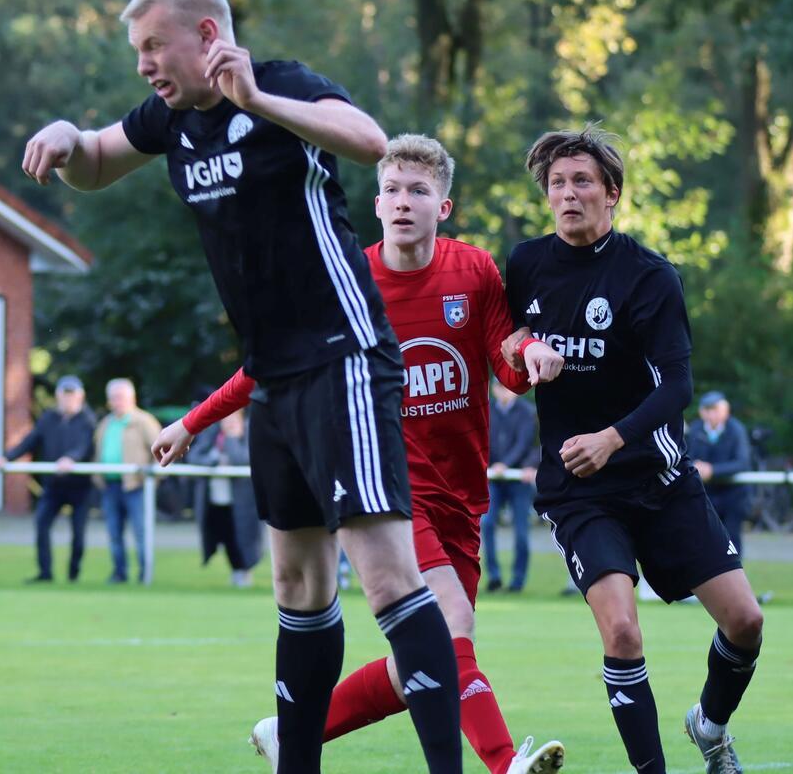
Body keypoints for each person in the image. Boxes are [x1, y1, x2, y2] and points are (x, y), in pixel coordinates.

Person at [28, 0, 471, 774]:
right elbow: (95, 162)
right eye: (138, 51)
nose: (144, 66)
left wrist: (259, 101)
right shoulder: (169, 119)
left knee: (387, 578)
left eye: (154, 46)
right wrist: (67, 137)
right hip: (272, 380)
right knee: (298, 588)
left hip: (342, 360)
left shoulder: (283, 86)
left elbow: (370, 140)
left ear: (206, 37)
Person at [157, 132, 564, 774]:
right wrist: (193, 422)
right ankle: (505, 762)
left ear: (444, 207)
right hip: (383, 480)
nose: (403, 202)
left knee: (423, 662)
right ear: (375, 205)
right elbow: (270, 365)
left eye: (419, 191)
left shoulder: (475, 271)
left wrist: (529, 350)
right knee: (450, 621)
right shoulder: (350, 278)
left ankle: (294, 735)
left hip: (461, 489)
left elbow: (506, 365)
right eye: (393, 191)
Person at [500, 124, 763, 774]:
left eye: (582, 181)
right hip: (579, 491)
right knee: (621, 629)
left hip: (657, 478)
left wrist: (613, 439)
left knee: (746, 622)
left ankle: (709, 724)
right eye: (557, 183)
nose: (568, 194)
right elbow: (504, 339)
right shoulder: (526, 263)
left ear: (612, 193)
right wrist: (520, 345)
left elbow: (678, 387)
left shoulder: (649, 277)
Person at [0, 375, 96, 582]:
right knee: (41, 524)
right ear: (58, 396)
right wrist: (6, 457)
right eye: (64, 395)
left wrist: (71, 458)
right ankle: (45, 573)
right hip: (54, 486)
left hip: (80, 487)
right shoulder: (48, 418)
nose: (68, 399)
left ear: (80, 396)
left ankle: (73, 575)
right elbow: (30, 442)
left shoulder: (87, 420)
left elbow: (84, 446)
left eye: (72, 395)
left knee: (78, 533)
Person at [96, 378, 161, 584]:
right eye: (113, 398)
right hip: (111, 486)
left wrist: (152, 478)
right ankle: (119, 573)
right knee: (114, 533)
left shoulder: (144, 421)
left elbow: (162, 450)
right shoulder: (105, 423)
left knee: (141, 533)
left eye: (121, 397)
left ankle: (145, 574)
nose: (117, 402)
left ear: (132, 398)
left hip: (136, 487)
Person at [189, 408, 261, 586]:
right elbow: (195, 456)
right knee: (224, 536)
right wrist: (213, 461)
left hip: (242, 502)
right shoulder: (211, 433)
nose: (228, 423)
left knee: (242, 537)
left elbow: (240, 459)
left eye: (232, 420)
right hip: (215, 499)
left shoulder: (248, 433)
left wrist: (231, 438)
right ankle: (235, 571)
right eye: (225, 420)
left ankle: (244, 572)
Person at [482, 380, 540, 595]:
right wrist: (491, 465)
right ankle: (494, 577)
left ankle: (517, 581)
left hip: (518, 480)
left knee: (521, 531)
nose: (504, 392)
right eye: (500, 388)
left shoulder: (527, 411)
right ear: (494, 390)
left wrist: (506, 464)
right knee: (487, 523)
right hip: (494, 480)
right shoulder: (487, 411)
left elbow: (526, 443)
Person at [689, 392, 752, 557]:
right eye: (707, 409)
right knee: (703, 541)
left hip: (733, 496)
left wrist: (713, 470)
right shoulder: (696, 429)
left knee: (732, 543)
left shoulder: (736, 429)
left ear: (726, 410)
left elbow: (742, 462)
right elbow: (686, 457)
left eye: (715, 409)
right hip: (705, 495)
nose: (711, 414)